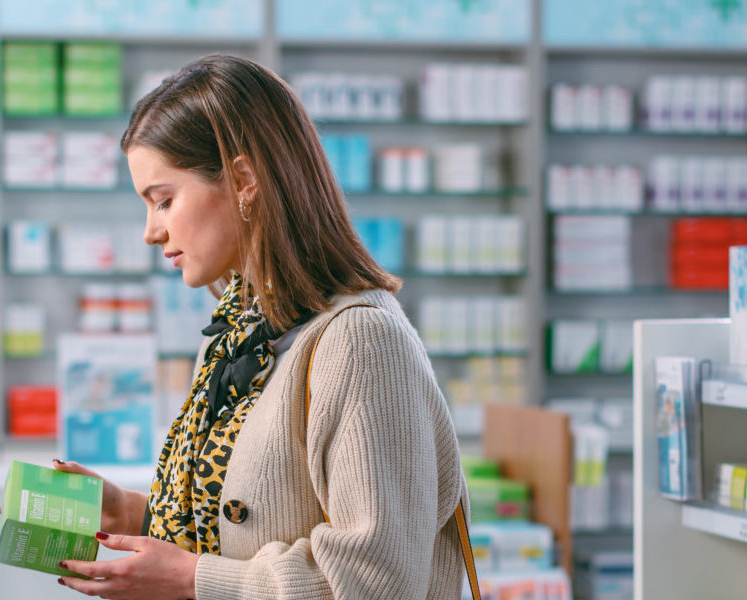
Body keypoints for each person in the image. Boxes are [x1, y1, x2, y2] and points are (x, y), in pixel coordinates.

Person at [52, 54, 469, 600]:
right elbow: (239, 525)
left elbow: (378, 582)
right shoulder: (240, 333)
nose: (152, 233)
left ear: (244, 179)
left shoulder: (361, 341)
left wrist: (192, 580)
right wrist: (131, 512)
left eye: (164, 201)